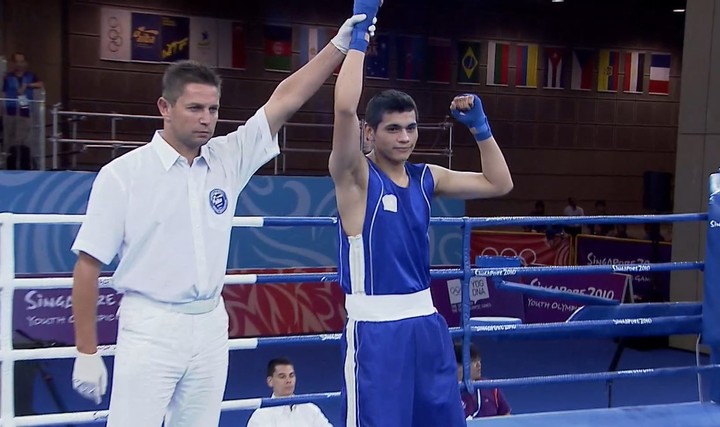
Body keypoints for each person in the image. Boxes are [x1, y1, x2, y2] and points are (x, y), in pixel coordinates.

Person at [69, 13, 376, 426]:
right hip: (150, 326)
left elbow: (285, 98)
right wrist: (86, 351)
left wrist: (338, 47)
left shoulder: (227, 158)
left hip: (210, 323)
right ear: (165, 107)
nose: (206, 118)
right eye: (194, 108)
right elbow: (87, 266)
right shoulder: (123, 175)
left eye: (212, 108)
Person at [328, 3, 514, 424]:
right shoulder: (355, 177)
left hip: (427, 323)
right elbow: (343, 109)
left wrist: (481, 129)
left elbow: (499, 184)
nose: (405, 137)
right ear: (369, 133)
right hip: (376, 330)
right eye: (394, 128)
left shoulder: (427, 176)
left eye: (411, 127)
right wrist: (359, 38)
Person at [247, 358, 332, 427]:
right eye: (282, 376)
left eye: (291, 375)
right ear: (270, 381)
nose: (288, 381)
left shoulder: (310, 409)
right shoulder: (260, 416)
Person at [2, 52, 43, 169]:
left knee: (22, 139)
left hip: (24, 110)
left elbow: (40, 84)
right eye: (17, 62)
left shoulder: (30, 76)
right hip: (10, 110)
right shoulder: (8, 77)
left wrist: (27, 85)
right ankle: (8, 164)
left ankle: (21, 163)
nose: (19, 64)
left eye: (21, 61)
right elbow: (3, 92)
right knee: (9, 138)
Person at [454, 342, 511, 419]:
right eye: (473, 361)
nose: (479, 365)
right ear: (458, 366)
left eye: (479, 360)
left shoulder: (490, 387)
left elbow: (506, 415)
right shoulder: (447, 392)